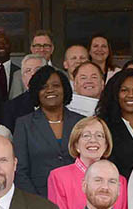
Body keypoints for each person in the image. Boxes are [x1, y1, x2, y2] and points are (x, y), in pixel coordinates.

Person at [13, 67, 83, 196]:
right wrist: (38, 203)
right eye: (43, 87)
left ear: (65, 89)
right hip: (40, 200)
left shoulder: (81, 122)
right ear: (36, 92)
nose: (50, 90)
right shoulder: (24, 124)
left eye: (56, 85)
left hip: (79, 196)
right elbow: (20, 170)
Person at [48, 116, 127, 209]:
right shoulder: (58, 177)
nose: (93, 140)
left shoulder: (120, 180)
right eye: (86, 136)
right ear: (76, 144)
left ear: (106, 145)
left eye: (99, 135)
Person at [1, 54, 47, 126]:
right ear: (23, 78)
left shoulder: (57, 101)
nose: (33, 74)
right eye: (28, 71)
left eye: (38, 70)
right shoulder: (11, 107)